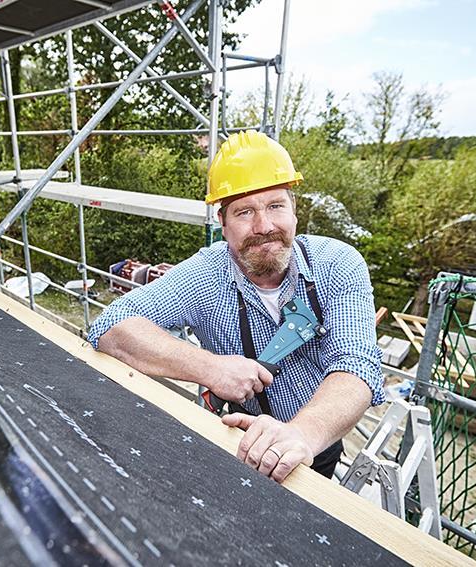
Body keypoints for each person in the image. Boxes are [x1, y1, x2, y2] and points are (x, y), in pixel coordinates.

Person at [87, 130, 383, 483]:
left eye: (276, 206)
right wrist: (211, 368)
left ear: (294, 211)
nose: (264, 226)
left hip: (314, 444)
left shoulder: (336, 264)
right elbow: (110, 326)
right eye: (244, 212)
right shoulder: (205, 277)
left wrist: (302, 435)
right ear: (223, 224)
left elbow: (356, 365)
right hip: (242, 443)